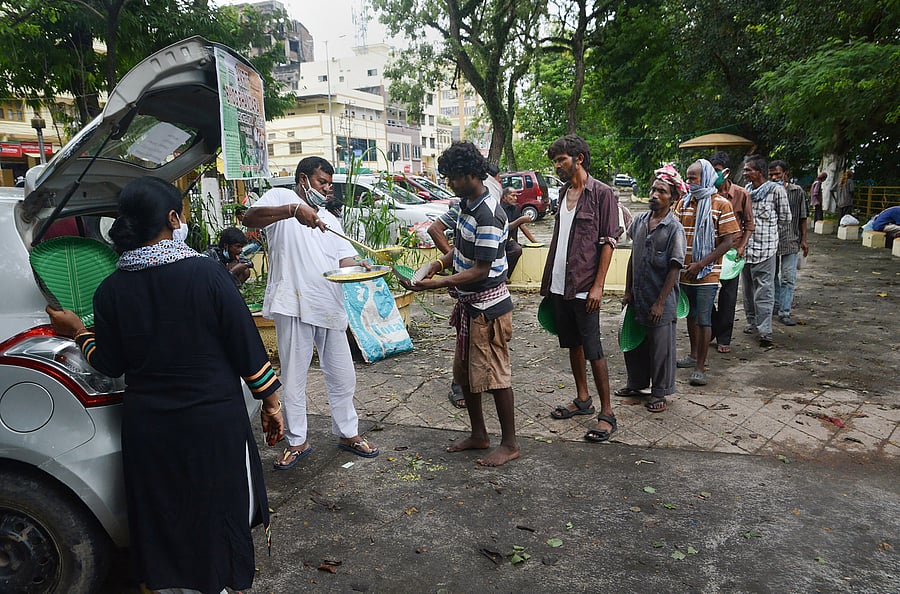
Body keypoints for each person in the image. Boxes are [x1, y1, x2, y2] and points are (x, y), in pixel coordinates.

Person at [44, 176, 284, 593]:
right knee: (217, 509)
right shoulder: (209, 275)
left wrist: (79, 330)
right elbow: (248, 348)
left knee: (164, 512)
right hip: (212, 423)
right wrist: (271, 403)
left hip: (148, 428)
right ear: (173, 218)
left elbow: (109, 362)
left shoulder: (111, 290)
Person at [243, 156, 379, 468]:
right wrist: (293, 211)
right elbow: (250, 217)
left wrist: (360, 265)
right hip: (292, 302)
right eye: (322, 182)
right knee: (294, 377)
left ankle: (348, 433)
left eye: (330, 184)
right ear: (304, 179)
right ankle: (297, 441)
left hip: (328, 303)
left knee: (343, 375)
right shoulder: (281, 199)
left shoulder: (331, 220)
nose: (327, 189)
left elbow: (343, 260)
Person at [400, 141, 519, 467]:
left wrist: (436, 283)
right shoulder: (466, 204)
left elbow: (481, 269)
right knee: (465, 375)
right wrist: (435, 266)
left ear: (471, 174)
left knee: (496, 378)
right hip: (470, 308)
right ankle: (479, 434)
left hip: (489, 310)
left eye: (453, 177)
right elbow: (461, 251)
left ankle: (509, 444)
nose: (449, 183)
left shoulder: (489, 213)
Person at [542, 135, 619, 443]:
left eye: (561, 160)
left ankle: (608, 413)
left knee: (594, 349)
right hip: (561, 285)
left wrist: (598, 286)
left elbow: (608, 242)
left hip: (587, 286)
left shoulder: (602, 194)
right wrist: (550, 282)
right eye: (556, 161)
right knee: (572, 344)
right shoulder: (563, 193)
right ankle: (582, 399)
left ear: (579, 159)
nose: (558, 166)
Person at [617, 164, 687, 412]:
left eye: (662, 191)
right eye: (653, 190)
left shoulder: (674, 229)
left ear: (673, 198)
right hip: (639, 296)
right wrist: (628, 291)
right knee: (634, 342)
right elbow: (633, 258)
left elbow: (675, 268)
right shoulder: (639, 221)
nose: (654, 195)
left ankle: (659, 393)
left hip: (661, 299)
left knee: (660, 349)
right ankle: (636, 383)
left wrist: (660, 302)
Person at [674, 159, 740, 387]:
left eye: (693, 177)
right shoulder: (683, 203)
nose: (689, 181)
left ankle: (700, 367)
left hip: (707, 274)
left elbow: (728, 242)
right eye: (688, 177)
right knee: (690, 316)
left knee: (703, 318)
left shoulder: (721, 204)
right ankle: (692, 356)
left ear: (707, 177)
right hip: (684, 273)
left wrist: (701, 264)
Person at [741, 155, 792, 347]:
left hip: (766, 249)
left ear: (759, 172)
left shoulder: (776, 191)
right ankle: (752, 323)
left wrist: (770, 233)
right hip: (746, 250)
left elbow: (785, 218)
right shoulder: (746, 191)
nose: (745, 173)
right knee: (747, 290)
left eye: (748, 170)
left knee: (764, 291)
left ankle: (765, 331)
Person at [708, 151, 755, 353]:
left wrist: (742, 246)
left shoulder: (741, 194)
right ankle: (711, 328)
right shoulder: (706, 194)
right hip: (709, 252)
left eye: (717, 171)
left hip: (732, 252)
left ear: (726, 172)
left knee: (728, 296)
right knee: (705, 294)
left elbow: (750, 224)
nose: (714, 176)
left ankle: (724, 338)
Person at [769, 160, 809, 326]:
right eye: (771, 175)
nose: (774, 177)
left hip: (791, 240)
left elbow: (802, 217)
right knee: (771, 277)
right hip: (771, 241)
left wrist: (804, 240)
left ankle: (784, 311)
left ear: (786, 173)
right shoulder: (767, 191)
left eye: (777, 174)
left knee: (788, 277)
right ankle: (776, 305)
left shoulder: (796, 191)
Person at [489, 163, 537, 277]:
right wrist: (520, 219)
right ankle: (502, 275)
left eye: (516, 195)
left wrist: (535, 242)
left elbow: (523, 226)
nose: (515, 198)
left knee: (517, 249)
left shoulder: (515, 208)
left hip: (511, 240)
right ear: (504, 197)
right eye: (512, 195)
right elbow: (506, 227)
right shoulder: (499, 208)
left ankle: (506, 275)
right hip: (500, 240)